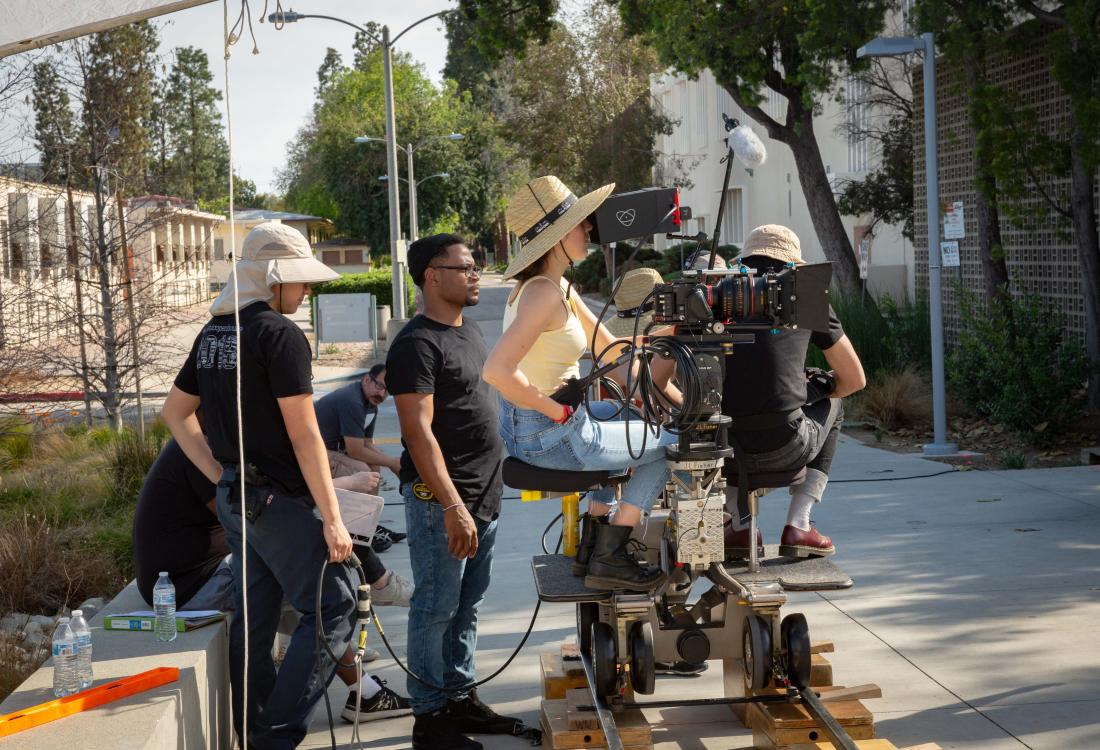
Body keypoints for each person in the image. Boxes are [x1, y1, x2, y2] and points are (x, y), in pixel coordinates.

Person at [162, 221, 361, 749]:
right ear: (275, 279)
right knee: (334, 606)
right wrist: (334, 519)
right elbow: (305, 435)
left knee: (254, 616)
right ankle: (275, 737)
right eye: (301, 281)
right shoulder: (278, 334)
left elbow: (174, 413)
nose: (308, 290)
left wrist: (221, 474)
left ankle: (254, 728)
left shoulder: (212, 335)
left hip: (238, 501)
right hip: (275, 502)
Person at [131, 434, 415, 724]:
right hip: (192, 586)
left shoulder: (203, 442)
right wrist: (340, 489)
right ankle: (376, 594)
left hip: (198, 575)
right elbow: (247, 517)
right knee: (319, 591)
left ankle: (362, 688)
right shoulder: (199, 450)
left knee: (309, 588)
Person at [483, 176, 678, 593]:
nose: (589, 228)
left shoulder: (559, 288)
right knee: (666, 447)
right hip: (549, 432)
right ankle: (612, 554)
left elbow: (612, 355)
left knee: (629, 418)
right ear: (555, 237)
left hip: (545, 428)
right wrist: (556, 410)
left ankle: (592, 541)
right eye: (579, 222)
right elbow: (497, 371)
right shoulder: (543, 296)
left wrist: (658, 384)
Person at [387, 233, 523, 750]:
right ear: (431, 275)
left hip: (483, 495)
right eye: (464, 267)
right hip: (440, 503)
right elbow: (417, 434)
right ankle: (430, 717)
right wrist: (452, 507)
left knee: (466, 607)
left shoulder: (471, 332)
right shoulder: (416, 344)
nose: (475, 274)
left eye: (477, 265)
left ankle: (459, 696)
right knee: (436, 607)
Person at [720, 225, 866, 559]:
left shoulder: (716, 295)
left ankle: (741, 529)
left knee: (717, 419)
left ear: (744, 261)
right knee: (837, 403)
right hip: (786, 447)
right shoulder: (804, 293)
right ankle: (799, 524)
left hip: (722, 452)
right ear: (791, 265)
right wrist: (808, 391)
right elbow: (855, 379)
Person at [315, 363, 408, 551]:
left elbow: (367, 444)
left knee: (373, 468)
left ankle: (367, 526)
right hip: (314, 454)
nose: (382, 394)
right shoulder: (352, 401)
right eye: (380, 386)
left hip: (333, 452)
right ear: (366, 379)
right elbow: (355, 450)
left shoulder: (370, 404)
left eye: (387, 390)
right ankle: (356, 532)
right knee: (361, 470)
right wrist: (393, 463)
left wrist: (393, 464)